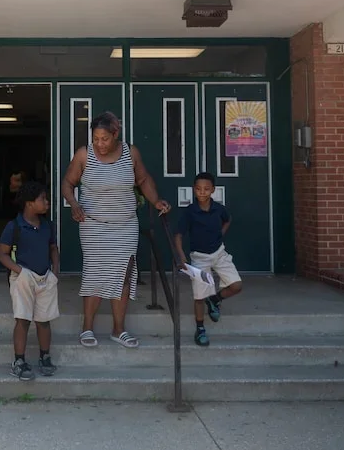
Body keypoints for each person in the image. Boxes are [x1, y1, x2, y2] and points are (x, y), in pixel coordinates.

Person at [61, 111, 171, 349]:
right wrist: (74, 203)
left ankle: (118, 330)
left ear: (116, 134)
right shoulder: (84, 155)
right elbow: (68, 183)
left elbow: (142, 180)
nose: (99, 144)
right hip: (93, 225)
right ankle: (87, 327)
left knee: (124, 275)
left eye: (105, 139)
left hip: (125, 225)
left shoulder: (130, 153)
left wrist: (156, 201)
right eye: (96, 139)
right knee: (95, 272)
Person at [0, 180, 60, 380]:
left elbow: (52, 248)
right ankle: (19, 360)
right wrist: (20, 271)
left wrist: (55, 271)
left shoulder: (47, 225)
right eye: (43, 199)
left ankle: (45, 356)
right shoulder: (14, 226)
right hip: (23, 276)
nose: (47, 202)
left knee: (44, 320)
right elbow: (2, 254)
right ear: (29, 203)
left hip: (45, 276)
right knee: (23, 319)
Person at [173, 172, 243, 347]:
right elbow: (178, 235)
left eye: (206, 189)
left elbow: (228, 219)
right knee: (199, 296)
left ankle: (215, 299)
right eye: (198, 189)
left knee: (236, 286)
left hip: (219, 254)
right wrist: (182, 257)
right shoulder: (190, 212)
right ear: (194, 190)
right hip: (199, 258)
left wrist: (221, 233)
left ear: (213, 190)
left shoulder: (219, 209)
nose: (202, 192)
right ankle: (200, 328)